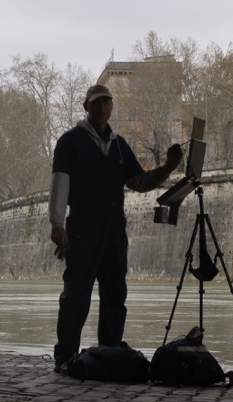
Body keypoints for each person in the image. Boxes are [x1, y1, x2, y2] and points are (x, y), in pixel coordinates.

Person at [48, 83, 183, 373]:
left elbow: (139, 182)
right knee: (76, 295)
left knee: (115, 293)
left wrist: (168, 168)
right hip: (82, 227)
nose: (102, 107)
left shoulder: (120, 145)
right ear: (86, 107)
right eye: (96, 103)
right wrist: (57, 223)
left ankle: (108, 352)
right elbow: (61, 182)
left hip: (114, 230)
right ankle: (65, 357)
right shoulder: (70, 141)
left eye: (107, 102)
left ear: (111, 107)